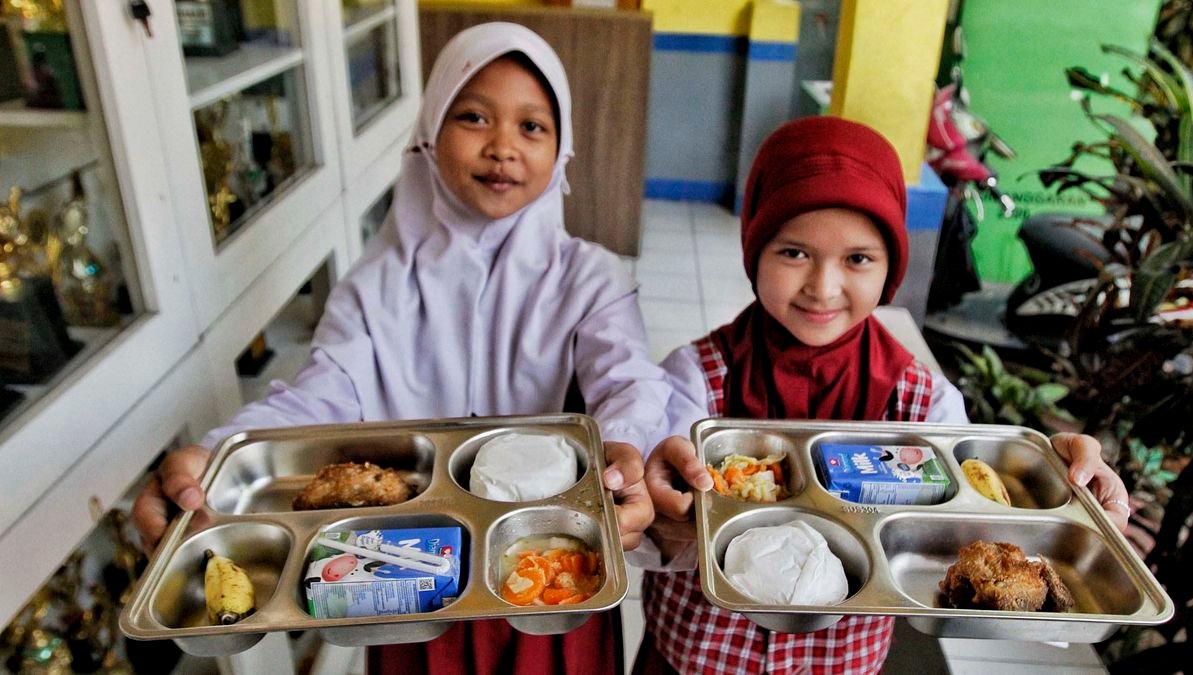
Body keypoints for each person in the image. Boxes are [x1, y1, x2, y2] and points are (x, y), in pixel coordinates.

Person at [132, 22, 668, 675]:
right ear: (428, 134)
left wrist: (628, 452)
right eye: (473, 117)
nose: (503, 146)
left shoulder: (591, 278)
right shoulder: (376, 286)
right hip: (405, 573)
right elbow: (321, 393)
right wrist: (214, 457)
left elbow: (627, 383)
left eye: (533, 127)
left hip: (548, 567)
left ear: (561, 152)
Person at [633, 117, 1132, 674]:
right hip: (700, 653)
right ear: (754, 251)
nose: (823, 287)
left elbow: (983, 520)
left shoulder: (921, 400)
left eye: (857, 259)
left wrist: (1060, 479)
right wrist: (661, 514)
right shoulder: (695, 376)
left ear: (892, 266)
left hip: (838, 660)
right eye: (794, 253)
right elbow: (654, 525)